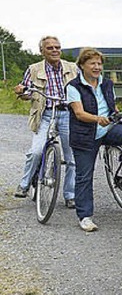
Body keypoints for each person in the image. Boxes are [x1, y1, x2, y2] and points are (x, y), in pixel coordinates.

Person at [67, 48, 122, 232]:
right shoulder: (73, 86)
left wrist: (116, 113)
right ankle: (85, 216)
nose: (97, 67)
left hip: (108, 129)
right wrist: (97, 119)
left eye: (99, 63)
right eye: (92, 63)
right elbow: (79, 113)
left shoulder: (107, 83)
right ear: (82, 66)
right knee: (84, 176)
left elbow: (111, 104)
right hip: (85, 135)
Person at [14, 36, 77, 209]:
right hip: (45, 114)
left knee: (72, 158)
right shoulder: (34, 69)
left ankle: (70, 195)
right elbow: (25, 92)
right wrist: (22, 91)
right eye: (50, 48)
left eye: (57, 47)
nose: (55, 50)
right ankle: (25, 184)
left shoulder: (72, 68)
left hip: (67, 114)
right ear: (42, 51)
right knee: (36, 151)